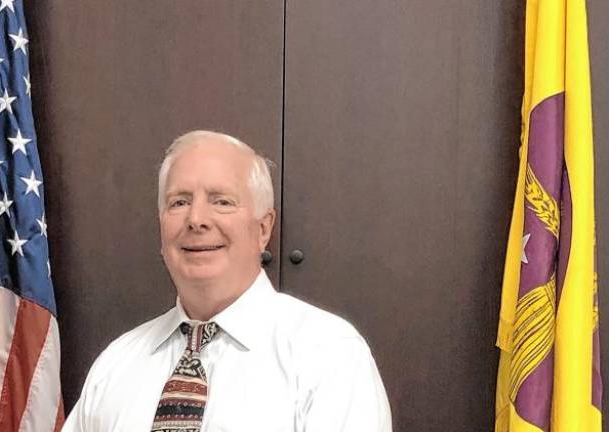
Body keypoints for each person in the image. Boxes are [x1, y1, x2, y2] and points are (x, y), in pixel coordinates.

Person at [63, 130, 392, 431]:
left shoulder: (328, 354)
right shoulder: (117, 363)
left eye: (221, 201)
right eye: (179, 202)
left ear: (263, 229)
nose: (197, 219)